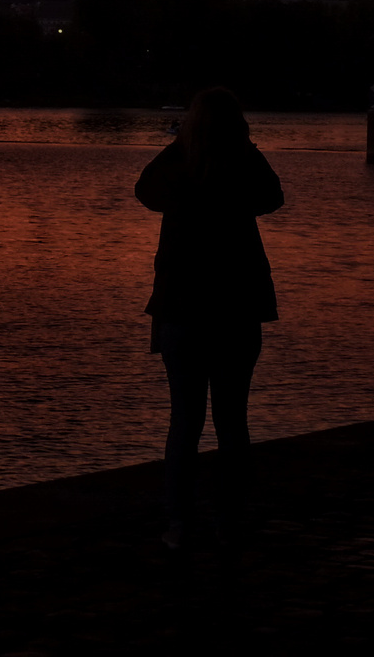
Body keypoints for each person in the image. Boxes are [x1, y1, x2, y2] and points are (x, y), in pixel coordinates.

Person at [135, 87, 284, 550]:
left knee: (185, 420)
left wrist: (182, 141)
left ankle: (178, 523)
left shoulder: (179, 166)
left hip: (182, 306)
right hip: (236, 306)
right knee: (232, 420)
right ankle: (229, 520)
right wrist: (245, 146)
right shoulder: (242, 164)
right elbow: (273, 197)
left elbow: (144, 190)